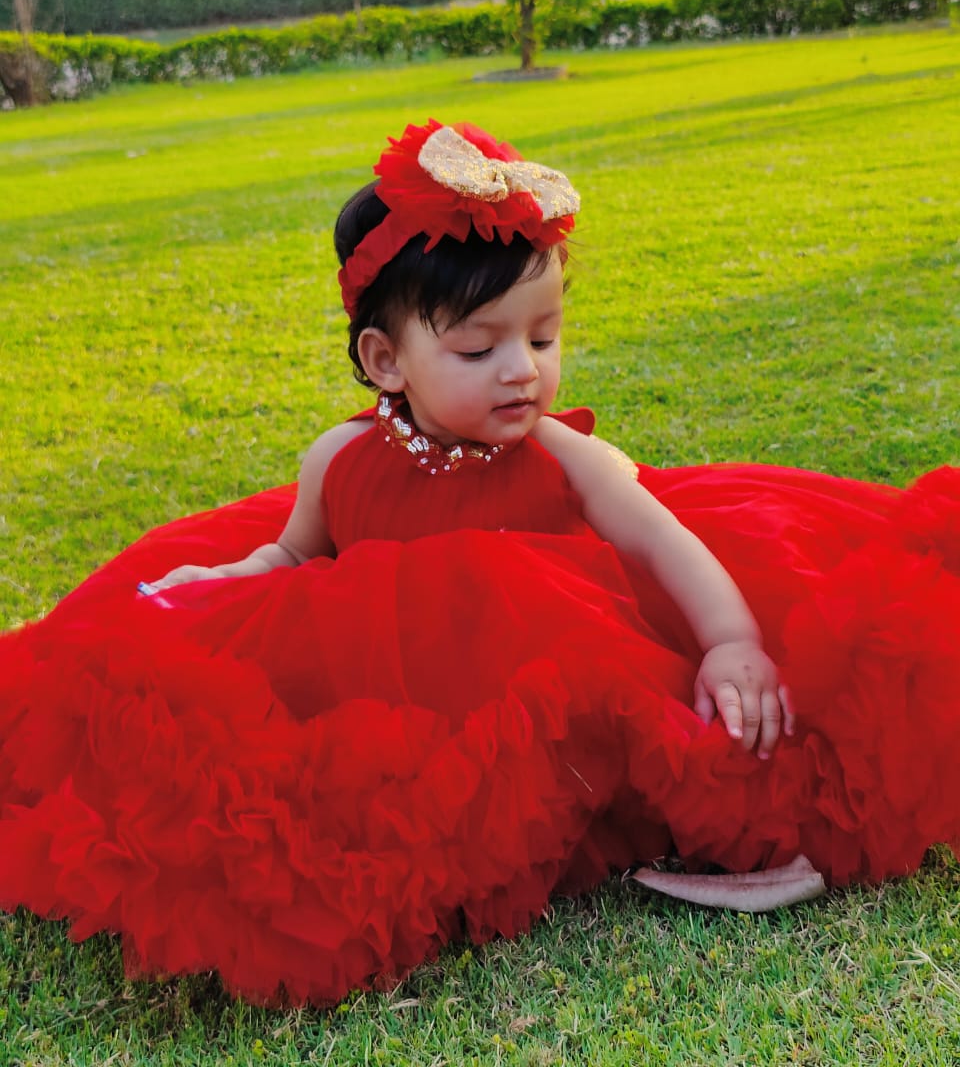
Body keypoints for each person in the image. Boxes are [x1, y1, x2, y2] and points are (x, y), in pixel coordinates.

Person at [0, 118, 957, 1008]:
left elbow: (663, 539)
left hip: (568, 641)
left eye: (543, 338)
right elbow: (299, 549)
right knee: (272, 744)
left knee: (705, 715)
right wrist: (230, 581)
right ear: (385, 362)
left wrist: (732, 641)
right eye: (478, 346)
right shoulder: (339, 462)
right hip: (419, 675)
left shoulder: (560, 455)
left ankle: (768, 834)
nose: (522, 372)